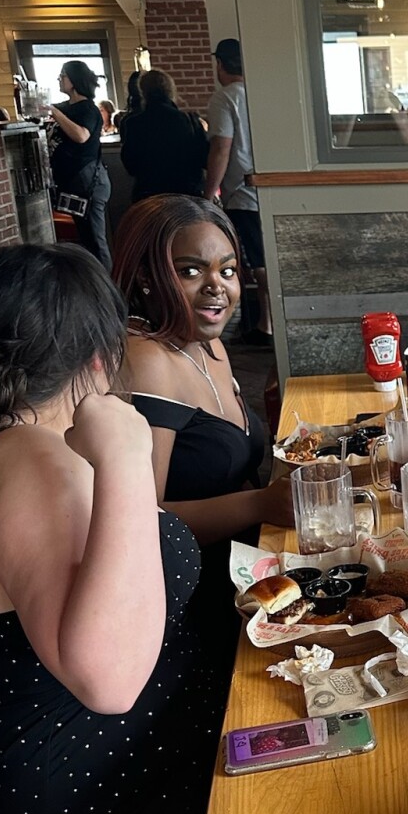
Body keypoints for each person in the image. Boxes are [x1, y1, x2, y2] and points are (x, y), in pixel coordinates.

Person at [0, 244, 218, 814]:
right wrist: (128, 454)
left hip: (115, 782)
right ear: (97, 358)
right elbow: (109, 681)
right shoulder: (27, 459)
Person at [113, 194, 292, 702]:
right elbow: (144, 520)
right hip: (192, 607)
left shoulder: (207, 342)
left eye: (227, 270)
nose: (217, 287)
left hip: (251, 576)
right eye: (191, 271)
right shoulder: (147, 359)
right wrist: (260, 504)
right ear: (146, 277)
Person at [206, 38, 271, 345]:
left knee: (258, 263)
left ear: (221, 64)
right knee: (265, 260)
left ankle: (268, 325)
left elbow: (222, 147)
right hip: (268, 189)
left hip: (242, 194)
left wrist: (208, 193)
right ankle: (267, 324)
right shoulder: (263, 94)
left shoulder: (225, 98)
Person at [48, 60, 112, 268]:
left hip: (88, 182)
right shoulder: (67, 107)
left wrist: (55, 113)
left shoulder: (88, 109)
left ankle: (107, 284)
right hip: (75, 182)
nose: (59, 79)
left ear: (75, 79)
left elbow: (81, 135)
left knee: (95, 240)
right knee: (85, 238)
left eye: (63, 75)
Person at [120, 68, 209, 203]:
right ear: (171, 90)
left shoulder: (133, 123)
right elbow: (204, 159)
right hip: (187, 193)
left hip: (150, 195)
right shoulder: (189, 120)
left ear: (143, 92)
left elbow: (131, 166)